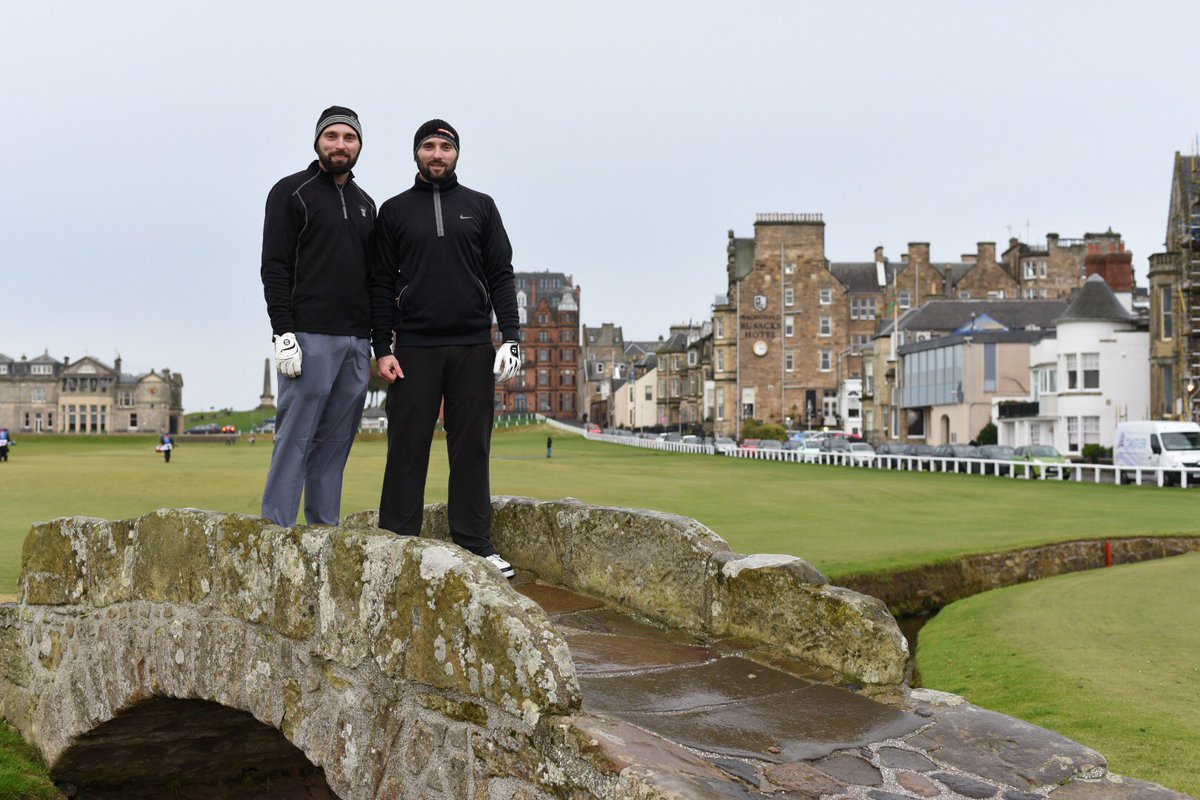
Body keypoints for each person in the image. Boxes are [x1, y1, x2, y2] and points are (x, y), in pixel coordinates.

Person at [371, 119, 522, 579]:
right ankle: (397, 543)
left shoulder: (481, 207)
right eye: (429, 147)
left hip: (473, 344)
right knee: (407, 446)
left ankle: (475, 544)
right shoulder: (393, 212)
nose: (437, 154)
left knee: (471, 446)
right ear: (417, 154)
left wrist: (511, 337)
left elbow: (500, 273)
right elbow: (379, 284)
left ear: (457, 154)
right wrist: (382, 346)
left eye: (445, 147)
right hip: (414, 347)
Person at [260, 106, 388, 528]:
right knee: (295, 437)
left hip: (356, 341)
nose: (340, 145)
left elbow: (376, 279)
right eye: (332, 136)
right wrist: (282, 332)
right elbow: (275, 266)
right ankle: (276, 531)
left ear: (359, 145)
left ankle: (323, 531)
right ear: (317, 141)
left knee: (336, 442)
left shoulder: (367, 204)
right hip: (308, 336)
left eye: (349, 138)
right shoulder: (291, 192)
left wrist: (378, 341)